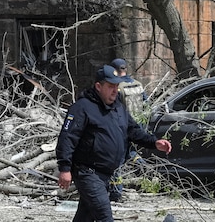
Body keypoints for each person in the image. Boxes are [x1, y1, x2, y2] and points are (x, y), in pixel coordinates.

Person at [56, 64, 171, 222]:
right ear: (98, 86)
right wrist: (64, 168)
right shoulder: (82, 108)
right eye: (110, 86)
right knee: (104, 216)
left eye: (117, 86)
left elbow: (133, 130)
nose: (115, 90)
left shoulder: (118, 108)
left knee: (85, 216)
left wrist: (155, 142)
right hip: (87, 172)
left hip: (106, 174)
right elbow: (67, 138)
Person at [108, 58, 147, 202]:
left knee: (116, 160)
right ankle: (149, 173)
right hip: (137, 127)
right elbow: (146, 104)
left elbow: (113, 108)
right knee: (131, 154)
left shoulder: (118, 87)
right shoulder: (138, 84)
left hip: (122, 129)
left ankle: (116, 192)